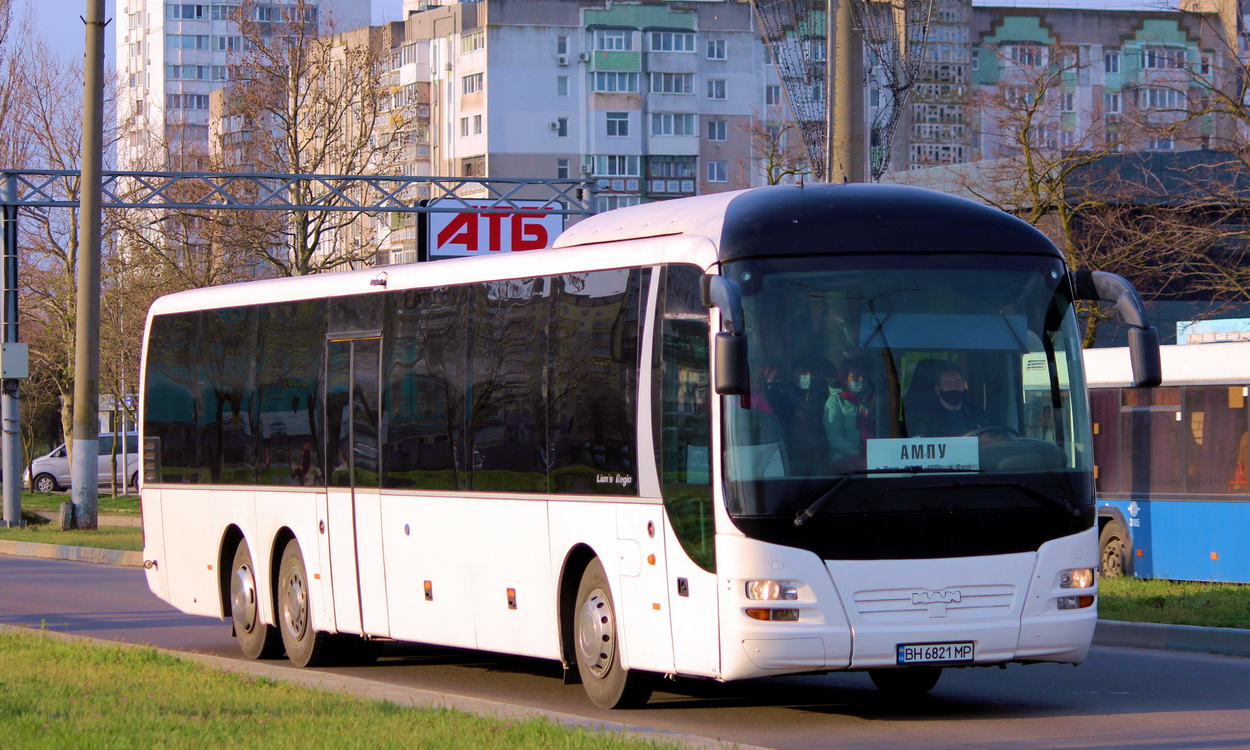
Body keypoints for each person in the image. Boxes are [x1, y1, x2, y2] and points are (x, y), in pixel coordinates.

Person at [908, 362, 986, 437]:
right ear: (937, 389)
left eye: (957, 383)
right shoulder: (925, 419)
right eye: (948, 383)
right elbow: (922, 447)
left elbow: (992, 440)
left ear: (963, 385)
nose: (954, 387)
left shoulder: (978, 415)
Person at [825, 357, 876, 467]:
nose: (861, 379)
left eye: (864, 376)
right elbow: (835, 438)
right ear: (844, 379)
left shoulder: (877, 398)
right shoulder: (835, 401)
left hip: (878, 455)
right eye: (855, 377)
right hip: (845, 457)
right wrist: (860, 453)